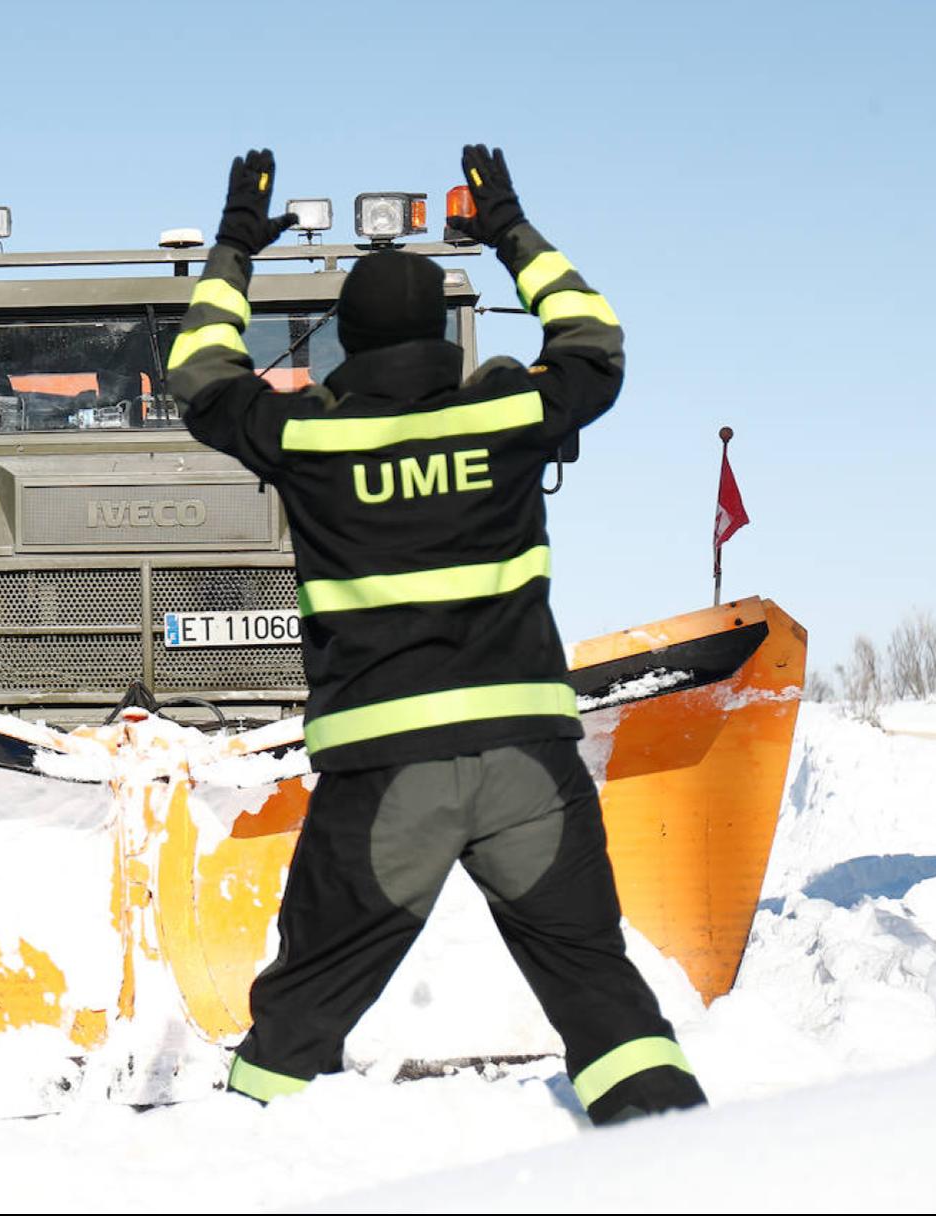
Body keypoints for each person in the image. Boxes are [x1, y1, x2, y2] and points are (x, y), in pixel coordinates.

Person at [165, 146, 707, 1125]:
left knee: (298, 1022)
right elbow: (595, 339)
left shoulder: (311, 439)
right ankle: (675, 1155)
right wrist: (508, 226)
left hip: (383, 774)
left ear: (347, 347)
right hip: (528, 766)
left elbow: (198, 370)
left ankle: (238, 1162)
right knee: (601, 995)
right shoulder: (511, 412)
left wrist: (238, 240)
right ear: (441, 340)